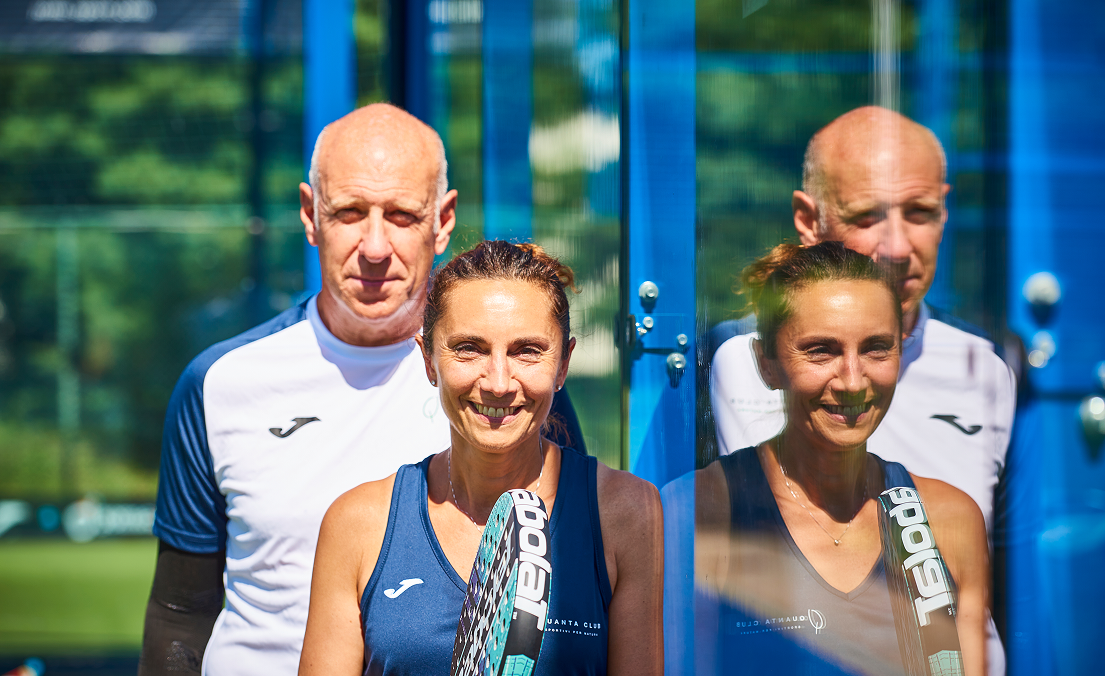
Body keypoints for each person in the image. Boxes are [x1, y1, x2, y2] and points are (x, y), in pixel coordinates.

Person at [139, 105, 586, 676]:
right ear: (310, 214)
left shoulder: (513, 388)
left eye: (401, 215)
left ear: (442, 221)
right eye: (350, 212)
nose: (375, 247)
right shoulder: (220, 382)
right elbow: (181, 611)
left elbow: (563, 586)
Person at [708, 107, 1013, 672]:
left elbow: (1012, 583)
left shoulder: (990, 367)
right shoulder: (730, 359)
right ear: (808, 218)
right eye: (868, 216)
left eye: (920, 213)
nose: (896, 247)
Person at [299, 241, 663, 676]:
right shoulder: (357, 523)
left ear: (563, 364)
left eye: (527, 350)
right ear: (429, 359)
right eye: (469, 348)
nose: (498, 382)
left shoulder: (625, 513)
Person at [673, 241, 989, 674]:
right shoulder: (699, 510)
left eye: (877, 347)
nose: (853, 381)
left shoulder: (951, 521)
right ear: (766, 363)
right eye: (821, 350)